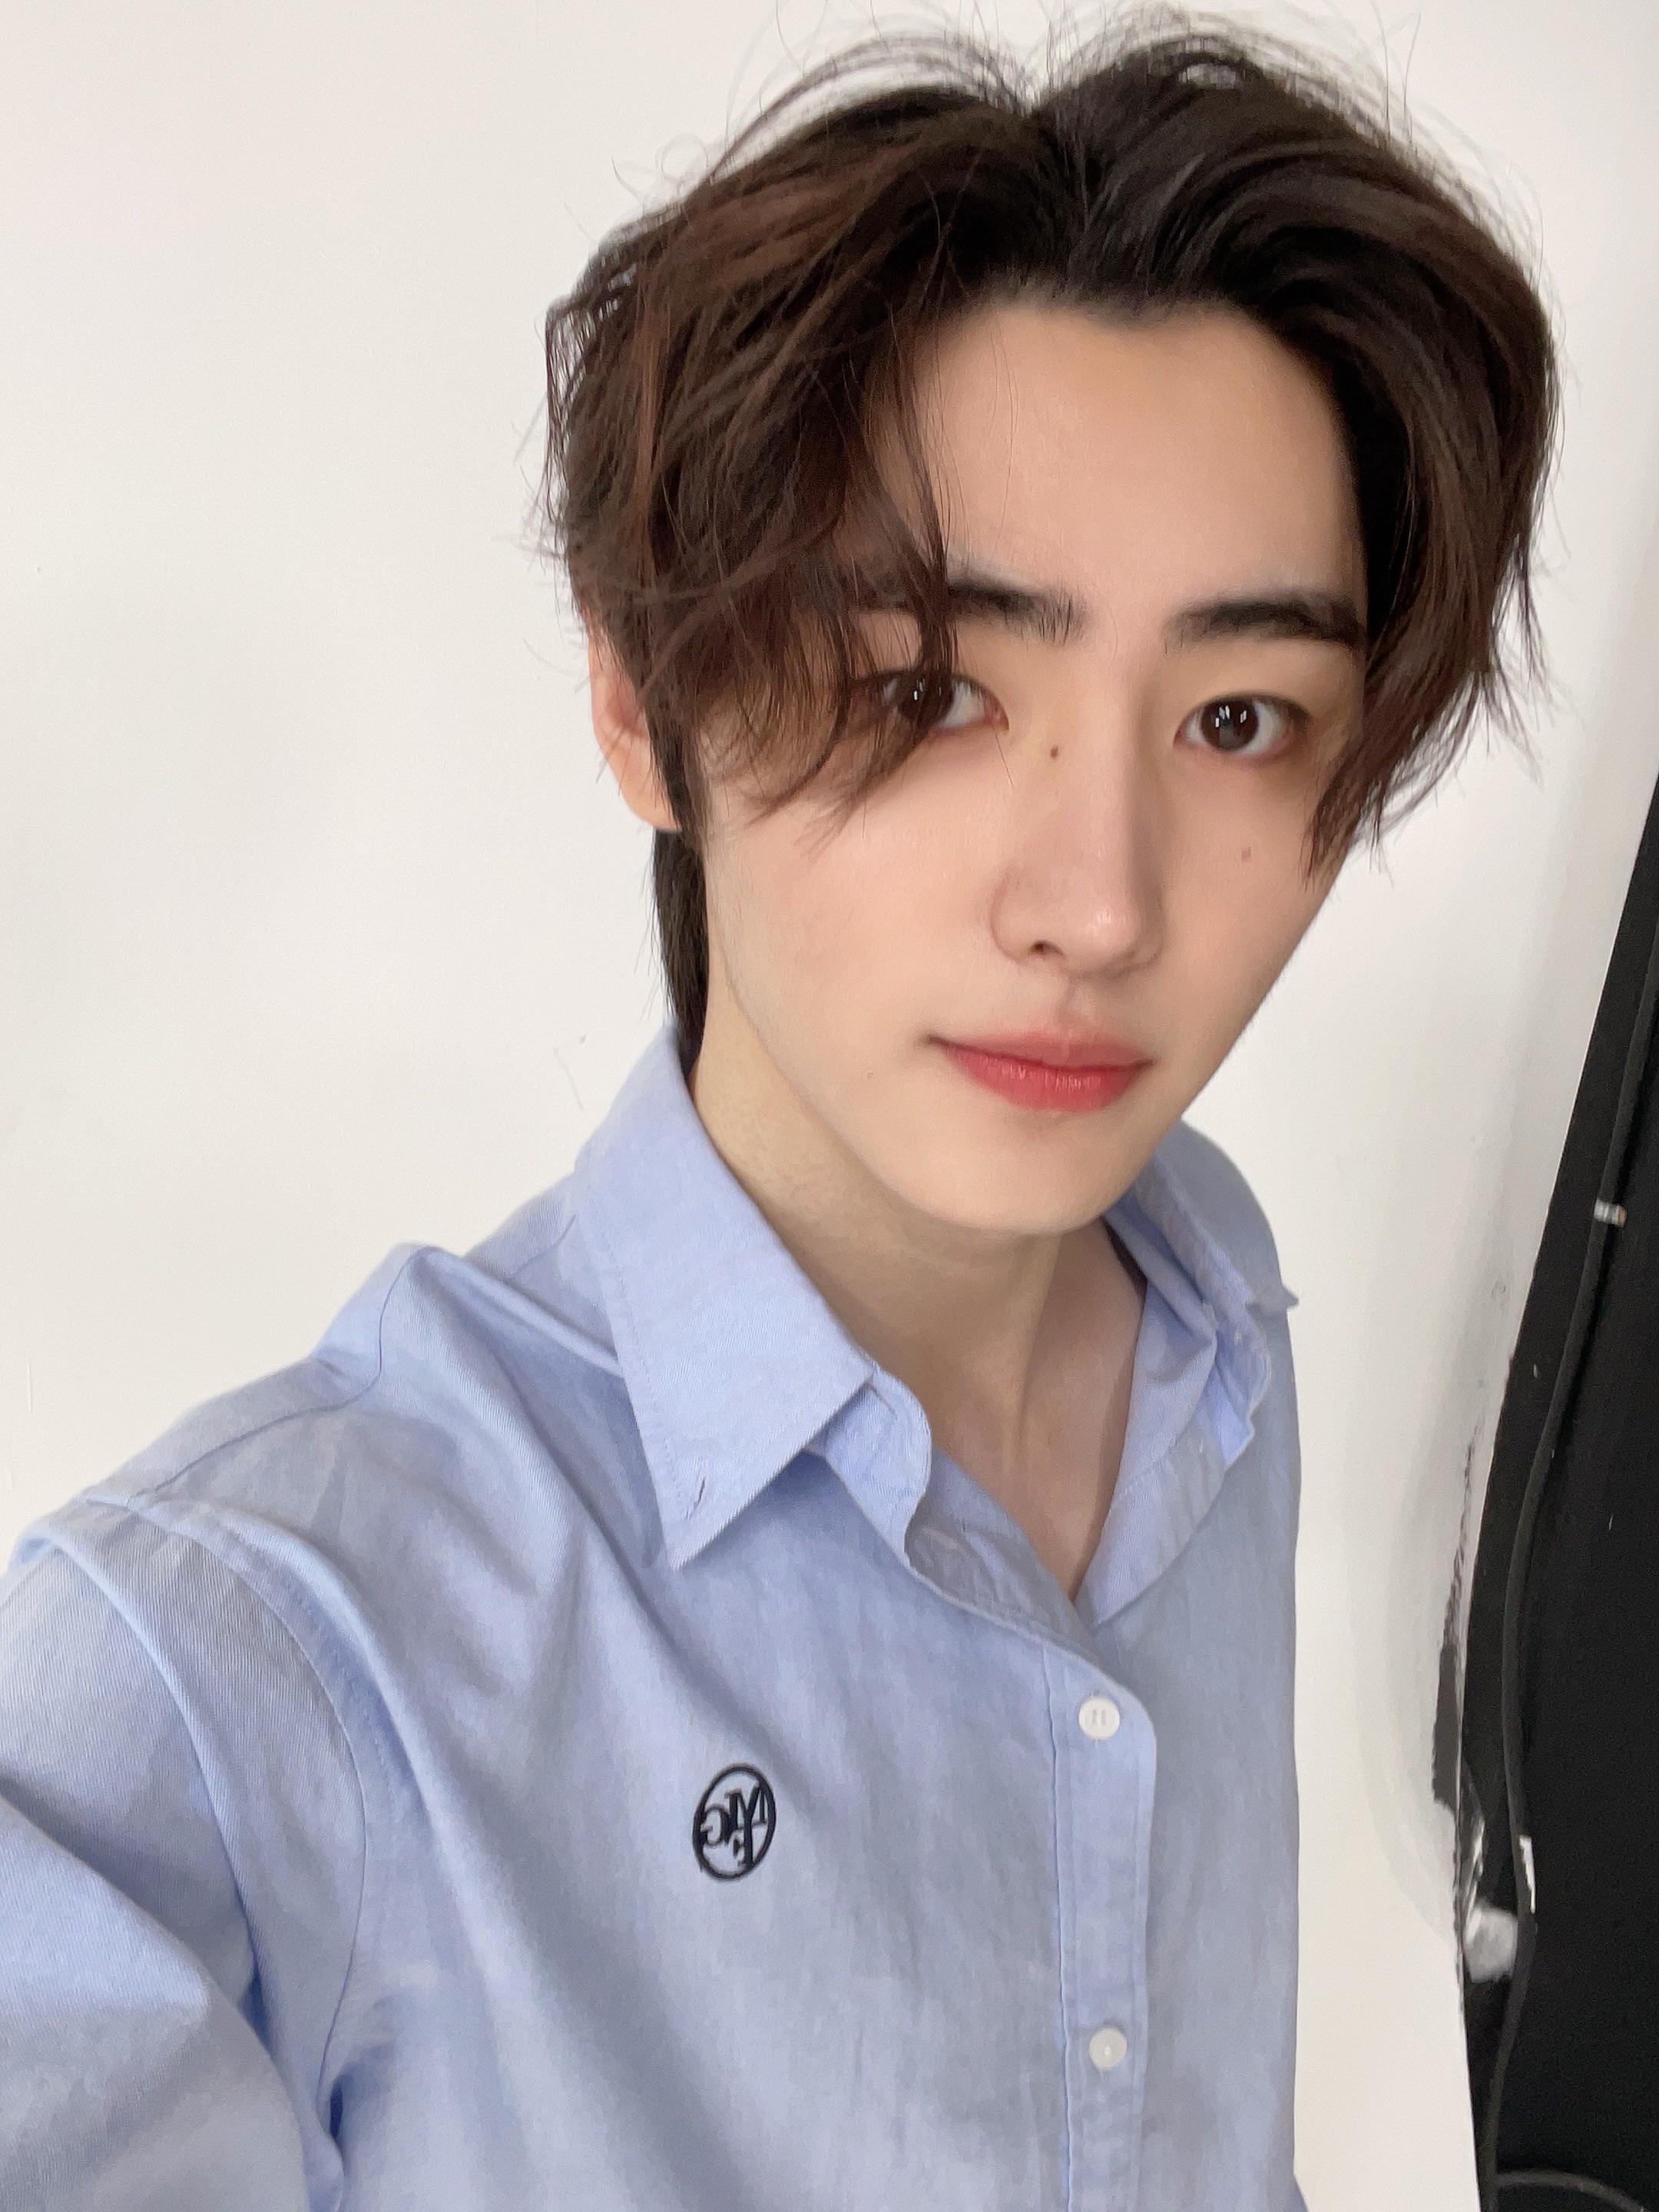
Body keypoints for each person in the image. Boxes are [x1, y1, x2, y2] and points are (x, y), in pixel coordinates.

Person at [0, 13, 1559, 2209]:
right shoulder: (246, 1657)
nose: (1101, 905)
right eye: (929, 687)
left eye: (1237, 717)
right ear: (644, 707)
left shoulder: (1205, 1316)